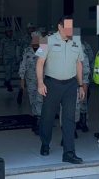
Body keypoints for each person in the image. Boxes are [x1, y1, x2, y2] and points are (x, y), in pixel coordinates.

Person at [36, 15, 85, 164]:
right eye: (67, 27)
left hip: (70, 85)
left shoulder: (76, 41)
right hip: (52, 84)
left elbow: (79, 64)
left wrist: (81, 85)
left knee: (69, 118)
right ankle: (45, 143)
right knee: (48, 116)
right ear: (59, 27)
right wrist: (40, 83)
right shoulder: (46, 40)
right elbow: (40, 62)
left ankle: (69, 153)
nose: (70, 30)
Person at [19, 31, 43, 134]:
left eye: (37, 38)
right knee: (32, 100)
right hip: (30, 80)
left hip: (42, 80)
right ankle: (36, 118)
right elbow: (23, 65)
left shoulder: (44, 49)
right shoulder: (27, 50)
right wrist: (22, 79)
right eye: (34, 38)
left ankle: (39, 122)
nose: (35, 40)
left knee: (40, 100)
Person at [77, 39, 95, 132]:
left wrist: (86, 82)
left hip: (82, 79)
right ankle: (74, 125)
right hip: (69, 80)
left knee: (83, 101)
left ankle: (83, 122)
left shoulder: (83, 46)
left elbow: (89, 61)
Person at [0, 27, 18, 92]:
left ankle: (6, 81)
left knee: (12, 71)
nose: (9, 33)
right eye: (8, 32)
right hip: (6, 58)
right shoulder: (3, 40)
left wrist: (17, 57)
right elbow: (1, 49)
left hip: (13, 58)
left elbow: (17, 48)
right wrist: (0, 57)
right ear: (6, 33)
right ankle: (8, 84)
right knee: (8, 71)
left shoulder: (14, 39)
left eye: (10, 31)